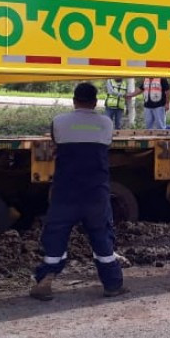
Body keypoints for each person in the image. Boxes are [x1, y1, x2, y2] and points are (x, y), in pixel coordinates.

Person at [30, 82, 127, 301]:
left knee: (56, 236)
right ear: (95, 102)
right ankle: (112, 284)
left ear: (74, 101)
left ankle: (45, 281)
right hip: (95, 193)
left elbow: (56, 141)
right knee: (102, 236)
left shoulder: (59, 122)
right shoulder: (105, 123)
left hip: (66, 192)